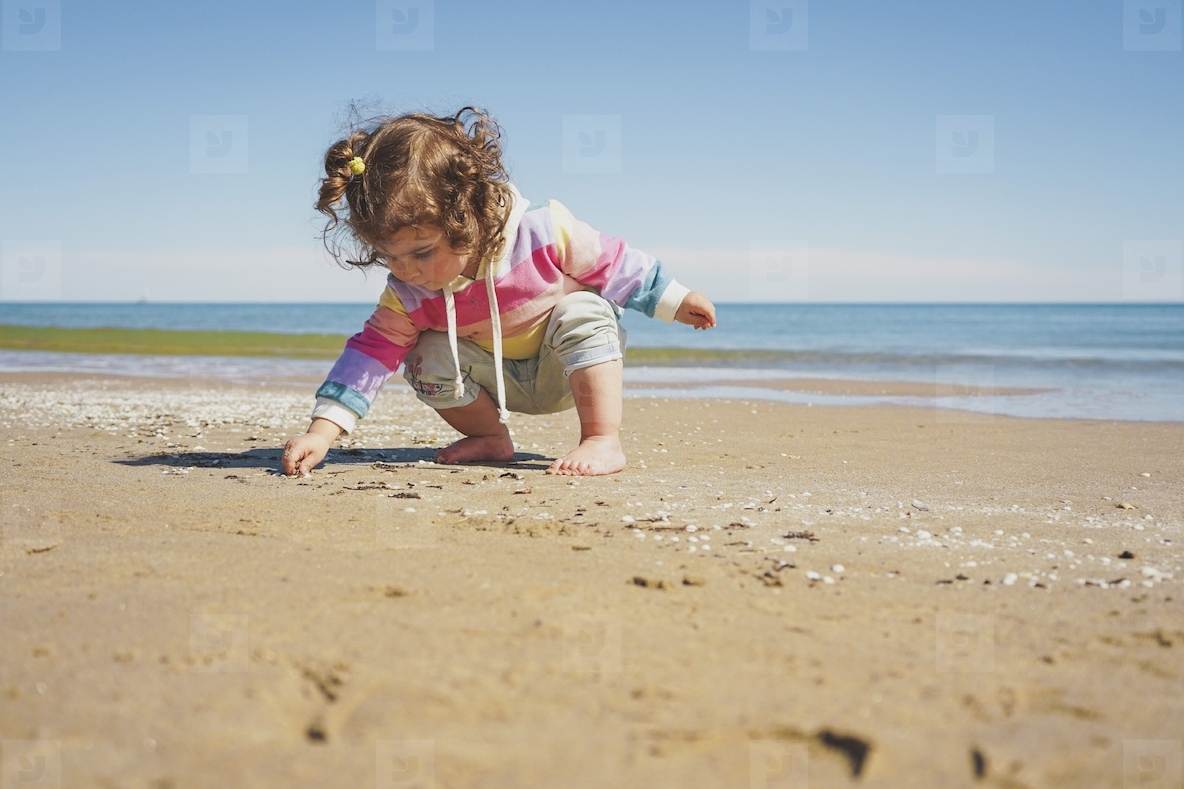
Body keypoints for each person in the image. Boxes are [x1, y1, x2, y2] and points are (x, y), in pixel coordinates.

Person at [281, 106, 716, 477]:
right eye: (388, 256)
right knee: (423, 352)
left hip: (565, 370)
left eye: (421, 252)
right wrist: (322, 432)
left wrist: (674, 300)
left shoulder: (543, 233)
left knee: (583, 307)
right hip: (491, 383)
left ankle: (602, 439)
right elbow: (369, 355)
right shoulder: (409, 293)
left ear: (464, 213)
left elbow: (614, 263)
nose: (405, 271)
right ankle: (489, 437)